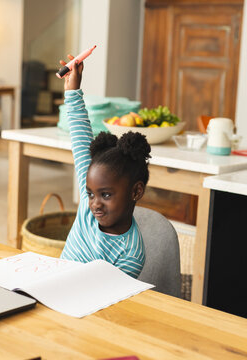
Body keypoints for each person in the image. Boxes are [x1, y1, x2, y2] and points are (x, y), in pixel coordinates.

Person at [59, 55, 151, 278]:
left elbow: (104, 297)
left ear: (136, 191)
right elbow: (80, 138)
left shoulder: (131, 253)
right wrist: (73, 90)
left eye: (106, 195)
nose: (94, 204)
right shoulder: (88, 197)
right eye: (90, 194)